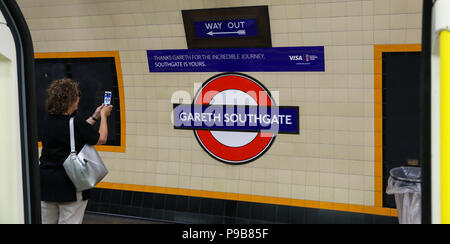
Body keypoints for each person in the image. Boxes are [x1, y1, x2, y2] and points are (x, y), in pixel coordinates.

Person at [39, 78, 113, 224]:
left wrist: (94, 117)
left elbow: (74, 131)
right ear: (71, 101)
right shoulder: (75, 122)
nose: (78, 102)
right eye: (77, 99)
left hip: (46, 183)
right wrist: (104, 116)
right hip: (71, 184)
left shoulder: (47, 120)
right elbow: (101, 138)